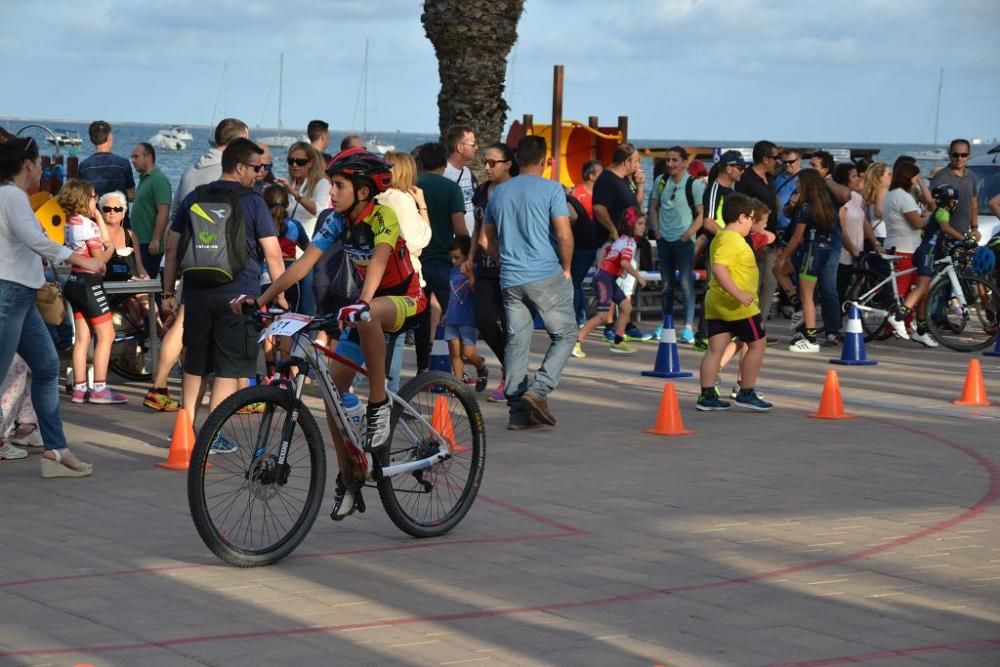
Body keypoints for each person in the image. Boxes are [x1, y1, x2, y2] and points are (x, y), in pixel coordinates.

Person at [246, 148, 426, 519]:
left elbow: (377, 260)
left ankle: (379, 404)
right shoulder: (337, 221)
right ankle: (350, 477)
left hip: (404, 299)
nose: (331, 194)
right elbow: (302, 266)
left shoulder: (383, 216)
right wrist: (260, 299)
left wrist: (361, 302)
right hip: (363, 308)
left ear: (362, 190)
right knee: (332, 395)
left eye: (339, 186)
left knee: (368, 315)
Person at [161, 138, 287, 447]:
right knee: (228, 369)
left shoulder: (195, 197)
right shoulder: (254, 201)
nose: (260, 174)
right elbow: (272, 254)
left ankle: (185, 429)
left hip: (197, 293)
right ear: (240, 167)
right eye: (256, 168)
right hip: (239, 297)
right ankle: (213, 436)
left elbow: (172, 246)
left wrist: (169, 292)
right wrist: (280, 294)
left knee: (195, 365)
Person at [0, 137, 101, 477]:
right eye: (40, 161)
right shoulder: (12, 195)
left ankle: (56, 451)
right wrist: (78, 259)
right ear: (27, 164)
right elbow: (36, 239)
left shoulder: (11, 196)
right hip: (10, 293)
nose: (43, 167)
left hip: (22, 295)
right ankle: (56, 450)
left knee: (45, 367)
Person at [144, 118, 249, 412]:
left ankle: (160, 385)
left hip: (190, 257)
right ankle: (217, 407)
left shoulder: (192, 169)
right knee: (199, 332)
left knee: (182, 323)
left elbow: (176, 217)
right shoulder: (226, 173)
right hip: (219, 263)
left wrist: (172, 268)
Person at [482, 136, 575, 431]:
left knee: (517, 342)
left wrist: (502, 259)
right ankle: (540, 389)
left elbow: (486, 239)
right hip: (545, 273)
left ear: (517, 160)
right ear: (546, 161)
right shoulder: (552, 189)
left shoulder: (499, 193)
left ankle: (518, 413)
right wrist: (568, 267)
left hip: (510, 278)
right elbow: (563, 234)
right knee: (565, 334)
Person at [696, 193, 772, 412]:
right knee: (757, 343)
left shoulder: (721, 237)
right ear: (741, 217)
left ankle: (707, 395)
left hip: (717, 304)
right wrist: (738, 293)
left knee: (715, 350)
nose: (752, 222)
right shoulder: (731, 240)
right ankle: (746, 391)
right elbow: (719, 268)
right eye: (750, 218)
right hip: (738, 306)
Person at [58, 179, 128, 404]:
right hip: (89, 283)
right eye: (93, 197)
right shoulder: (87, 226)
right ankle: (99, 388)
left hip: (73, 281)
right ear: (82, 199)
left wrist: (97, 217)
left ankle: (79, 389)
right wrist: (109, 249)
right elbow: (100, 260)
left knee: (82, 339)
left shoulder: (68, 223)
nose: (96, 200)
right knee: (107, 335)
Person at [884, 185, 967, 346]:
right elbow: (944, 227)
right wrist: (964, 239)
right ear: (950, 202)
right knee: (921, 288)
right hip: (926, 253)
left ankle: (921, 331)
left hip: (925, 251)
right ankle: (898, 316)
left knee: (925, 294)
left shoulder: (939, 211)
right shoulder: (943, 212)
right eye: (954, 201)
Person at [467, 142, 518, 401]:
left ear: (508, 163)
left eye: (492, 163)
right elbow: (477, 228)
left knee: (511, 325)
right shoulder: (483, 191)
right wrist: (470, 257)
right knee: (484, 320)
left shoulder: (516, 190)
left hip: (511, 269)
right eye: (484, 162)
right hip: (485, 269)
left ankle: (511, 377)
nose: (487, 167)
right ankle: (511, 367)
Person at [413, 142, 468, 373]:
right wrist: (466, 255)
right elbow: (460, 228)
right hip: (445, 262)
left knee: (420, 317)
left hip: (418, 260)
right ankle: (457, 369)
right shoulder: (451, 188)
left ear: (421, 163)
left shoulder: (413, 186)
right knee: (454, 317)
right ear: (444, 164)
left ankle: (421, 367)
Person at [776, 169, 839, 353]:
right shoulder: (826, 204)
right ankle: (801, 312)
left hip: (812, 252)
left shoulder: (806, 207)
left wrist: (783, 257)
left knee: (807, 296)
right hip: (826, 250)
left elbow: (797, 237)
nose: (796, 186)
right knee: (804, 292)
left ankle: (810, 338)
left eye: (799, 183)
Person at [592, 143, 649, 342]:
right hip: (614, 242)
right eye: (637, 161)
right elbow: (599, 209)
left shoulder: (624, 180)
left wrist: (640, 184)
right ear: (626, 162)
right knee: (611, 281)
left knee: (624, 285)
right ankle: (609, 325)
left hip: (627, 241)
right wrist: (614, 232)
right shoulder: (608, 180)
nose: (639, 165)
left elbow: (635, 207)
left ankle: (622, 326)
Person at [573, 207, 647, 357]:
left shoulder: (621, 239)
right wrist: (637, 276)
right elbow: (625, 262)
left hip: (607, 278)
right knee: (602, 316)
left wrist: (605, 269)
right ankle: (576, 342)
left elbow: (606, 250)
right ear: (631, 225)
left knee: (626, 307)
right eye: (640, 223)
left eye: (644, 223)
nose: (643, 227)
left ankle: (618, 341)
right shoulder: (630, 243)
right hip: (605, 279)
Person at [649, 146, 704, 343]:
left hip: (684, 243)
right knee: (666, 285)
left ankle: (688, 327)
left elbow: (701, 214)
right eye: (668, 160)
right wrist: (656, 229)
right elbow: (653, 207)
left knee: (686, 284)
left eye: (674, 160)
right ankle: (666, 323)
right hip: (665, 241)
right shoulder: (660, 181)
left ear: (684, 162)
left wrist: (689, 234)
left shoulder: (694, 185)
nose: (670, 164)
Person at [694, 150, 747, 349]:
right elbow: (708, 222)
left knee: (729, 290)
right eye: (740, 168)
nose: (742, 172)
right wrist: (728, 237)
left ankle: (726, 331)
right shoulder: (715, 189)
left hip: (730, 249)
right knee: (712, 290)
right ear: (729, 168)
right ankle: (703, 334)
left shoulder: (733, 192)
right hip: (718, 249)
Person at [735, 141, 780, 323]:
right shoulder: (746, 179)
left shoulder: (770, 179)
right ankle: (749, 325)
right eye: (775, 158)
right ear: (765, 159)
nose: (777, 161)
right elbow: (742, 207)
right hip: (754, 240)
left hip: (771, 240)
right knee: (755, 283)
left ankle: (758, 325)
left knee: (770, 283)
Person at [807, 150, 847, 346]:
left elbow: (845, 195)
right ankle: (806, 327)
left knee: (828, 287)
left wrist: (828, 181)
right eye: (810, 165)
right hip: (808, 240)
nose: (811, 169)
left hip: (830, 242)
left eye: (815, 166)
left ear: (826, 170)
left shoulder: (831, 187)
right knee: (804, 288)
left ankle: (832, 331)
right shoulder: (807, 185)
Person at [444, 236, 488, 389]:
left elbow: (477, 292)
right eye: (452, 258)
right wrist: (446, 313)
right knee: (455, 353)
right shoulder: (452, 271)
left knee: (468, 353)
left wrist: (470, 277)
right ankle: (457, 385)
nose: (454, 261)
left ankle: (481, 367)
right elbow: (452, 294)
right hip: (452, 318)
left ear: (467, 255)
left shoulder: (474, 269)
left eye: (457, 257)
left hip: (467, 318)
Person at [883, 162, 928, 304]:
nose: (916, 181)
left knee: (902, 289)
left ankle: (904, 323)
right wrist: (928, 217)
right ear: (909, 178)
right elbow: (917, 224)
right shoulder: (903, 197)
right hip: (905, 248)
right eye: (916, 177)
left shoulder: (890, 194)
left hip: (894, 244)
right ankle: (896, 323)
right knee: (904, 289)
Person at [129, 142, 172, 277]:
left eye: (136, 157)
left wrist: (156, 239)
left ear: (148, 158)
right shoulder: (144, 179)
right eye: (132, 157)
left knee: (146, 282)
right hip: (139, 242)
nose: (133, 161)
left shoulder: (159, 180)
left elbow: (164, 212)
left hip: (149, 243)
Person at [569, 159, 603, 327]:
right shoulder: (577, 192)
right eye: (600, 172)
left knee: (576, 281)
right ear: (591, 175)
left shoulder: (601, 194)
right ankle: (579, 316)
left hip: (594, 243)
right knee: (576, 281)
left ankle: (579, 317)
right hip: (579, 243)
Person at [930, 139, 980, 238]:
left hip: (963, 234)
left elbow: (973, 204)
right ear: (949, 155)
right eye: (955, 155)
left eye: (963, 155)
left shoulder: (972, 176)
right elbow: (930, 204)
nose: (959, 158)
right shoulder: (940, 177)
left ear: (969, 155)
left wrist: (974, 228)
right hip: (942, 236)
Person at [78, 120, 135, 201]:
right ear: (109, 137)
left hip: (92, 213)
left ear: (91, 140)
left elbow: (82, 197)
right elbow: (131, 195)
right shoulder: (123, 164)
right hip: (118, 212)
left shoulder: (83, 166)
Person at [443, 125, 478, 235]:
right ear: (460, 147)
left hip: (470, 238)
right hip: (454, 243)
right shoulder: (444, 173)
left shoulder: (467, 172)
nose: (477, 148)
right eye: (473, 145)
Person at [861, 161, 890, 250]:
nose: (890, 177)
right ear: (879, 177)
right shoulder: (882, 189)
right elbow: (878, 211)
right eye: (888, 174)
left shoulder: (870, 192)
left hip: (872, 233)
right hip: (881, 233)